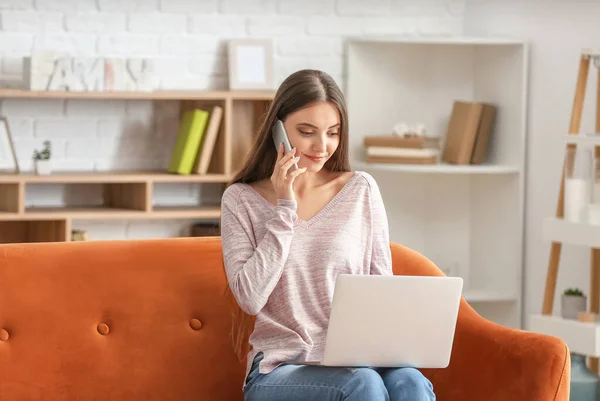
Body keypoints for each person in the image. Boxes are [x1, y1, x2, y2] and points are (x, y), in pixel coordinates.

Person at [220, 69, 436, 401]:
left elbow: (382, 288)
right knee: (362, 384)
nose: (323, 147)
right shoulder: (240, 199)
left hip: (357, 360)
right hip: (279, 370)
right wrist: (285, 207)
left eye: (333, 133)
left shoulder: (360, 189)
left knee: (411, 382)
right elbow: (250, 297)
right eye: (307, 132)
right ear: (278, 130)